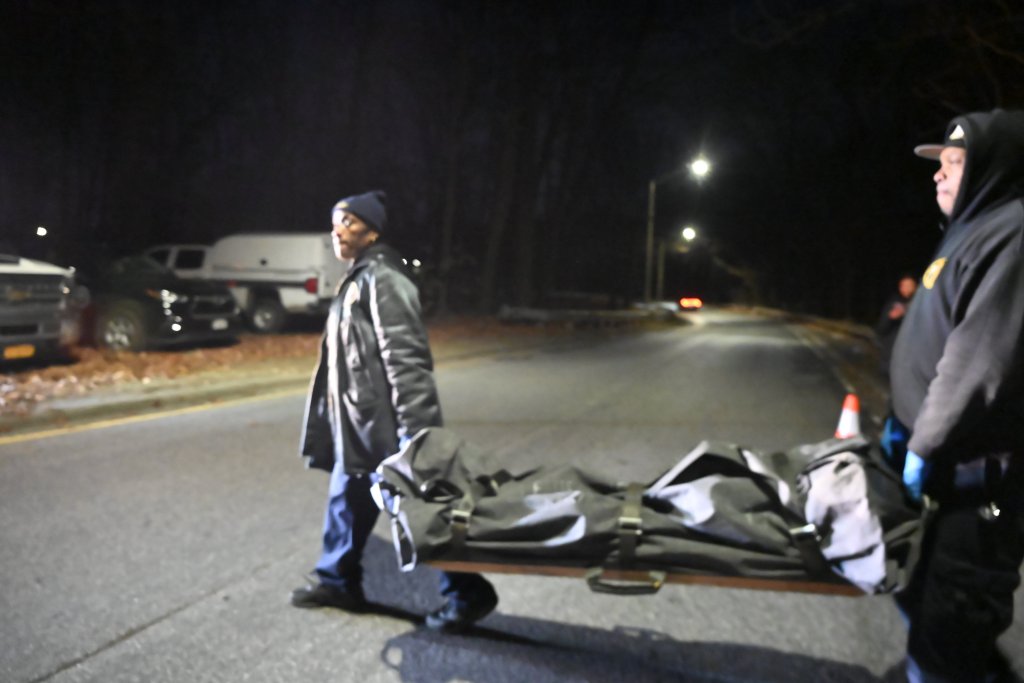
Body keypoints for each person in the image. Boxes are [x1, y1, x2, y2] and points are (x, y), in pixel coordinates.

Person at [292, 190, 498, 632]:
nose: (337, 229)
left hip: (385, 427)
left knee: (414, 509)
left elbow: (406, 359)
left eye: (348, 221)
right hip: (358, 424)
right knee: (346, 500)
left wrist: (418, 434)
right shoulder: (358, 277)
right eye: (335, 221)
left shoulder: (383, 278)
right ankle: (337, 581)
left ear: (373, 231)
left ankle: (467, 592)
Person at [887, 109, 1024, 682]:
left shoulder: (1014, 233)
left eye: (955, 163)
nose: (939, 175)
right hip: (941, 465)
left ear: (994, 170)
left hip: (975, 479)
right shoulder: (971, 229)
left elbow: (978, 361)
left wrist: (925, 442)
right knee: (921, 596)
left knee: (954, 613)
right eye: (938, 163)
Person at [874, 274, 917, 379]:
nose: (906, 289)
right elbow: (880, 329)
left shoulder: (920, 303)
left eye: (910, 286)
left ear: (916, 287)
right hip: (892, 357)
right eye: (904, 286)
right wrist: (890, 317)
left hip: (911, 359)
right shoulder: (893, 303)